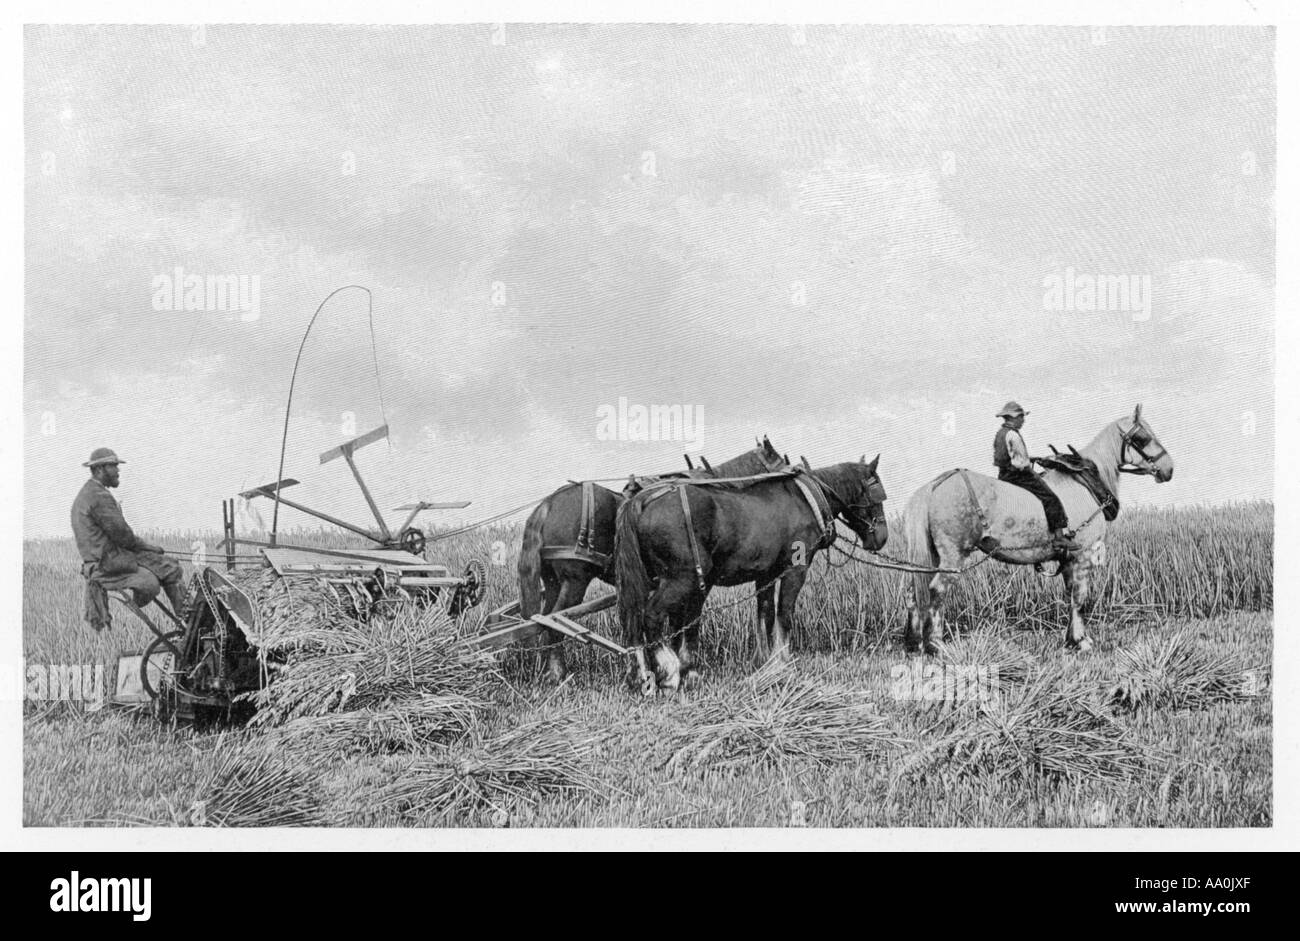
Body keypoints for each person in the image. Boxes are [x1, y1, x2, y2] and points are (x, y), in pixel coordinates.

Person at [71, 448, 186, 630]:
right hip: (109, 562)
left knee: (167, 566)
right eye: (113, 466)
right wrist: (150, 547)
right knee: (171, 568)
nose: (118, 471)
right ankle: (191, 624)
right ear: (100, 469)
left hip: (106, 558)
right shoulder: (98, 496)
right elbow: (124, 537)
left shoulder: (89, 492)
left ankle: (189, 623)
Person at [992, 402, 1079, 551]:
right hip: (1018, 475)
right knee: (1051, 498)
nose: (1023, 420)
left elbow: (1007, 457)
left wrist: (1029, 459)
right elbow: (1021, 463)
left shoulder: (1001, 433)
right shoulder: (1013, 435)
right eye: (1021, 417)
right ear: (1014, 417)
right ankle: (1059, 538)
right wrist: (1029, 463)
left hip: (1004, 475)